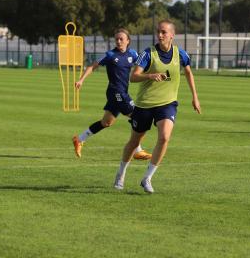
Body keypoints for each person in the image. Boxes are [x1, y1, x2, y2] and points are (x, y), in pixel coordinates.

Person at [113, 19, 201, 194]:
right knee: (134, 142)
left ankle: (147, 178)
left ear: (172, 35)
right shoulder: (148, 53)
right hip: (145, 105)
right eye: (158, 32)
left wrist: (195, 97)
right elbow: (134, 76)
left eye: (163, 32)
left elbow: (188, 73)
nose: (160, 35)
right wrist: (150, 75)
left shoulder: (181, 54)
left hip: (167, 104)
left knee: (165, 137)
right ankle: (121, 174)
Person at [72, 28, 151, 160]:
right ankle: (137, 150)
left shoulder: (133, 54)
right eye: (116, 39)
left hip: (122, 92)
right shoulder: (110, 55)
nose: (119, 42)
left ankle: (79, 139)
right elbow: (93, 66)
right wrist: (81, 80)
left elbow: (144, 66)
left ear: (128, 41)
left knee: (106, 122)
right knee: (137, 115)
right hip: (115, 92)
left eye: (121, 39)